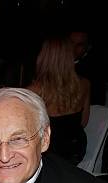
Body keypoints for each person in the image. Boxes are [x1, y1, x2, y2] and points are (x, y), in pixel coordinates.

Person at [28, 37, 90, 165]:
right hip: (75, 150)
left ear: (44, 57)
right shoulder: (84, 84)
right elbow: (84, 122)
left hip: (48, 155)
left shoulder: (34, 90)